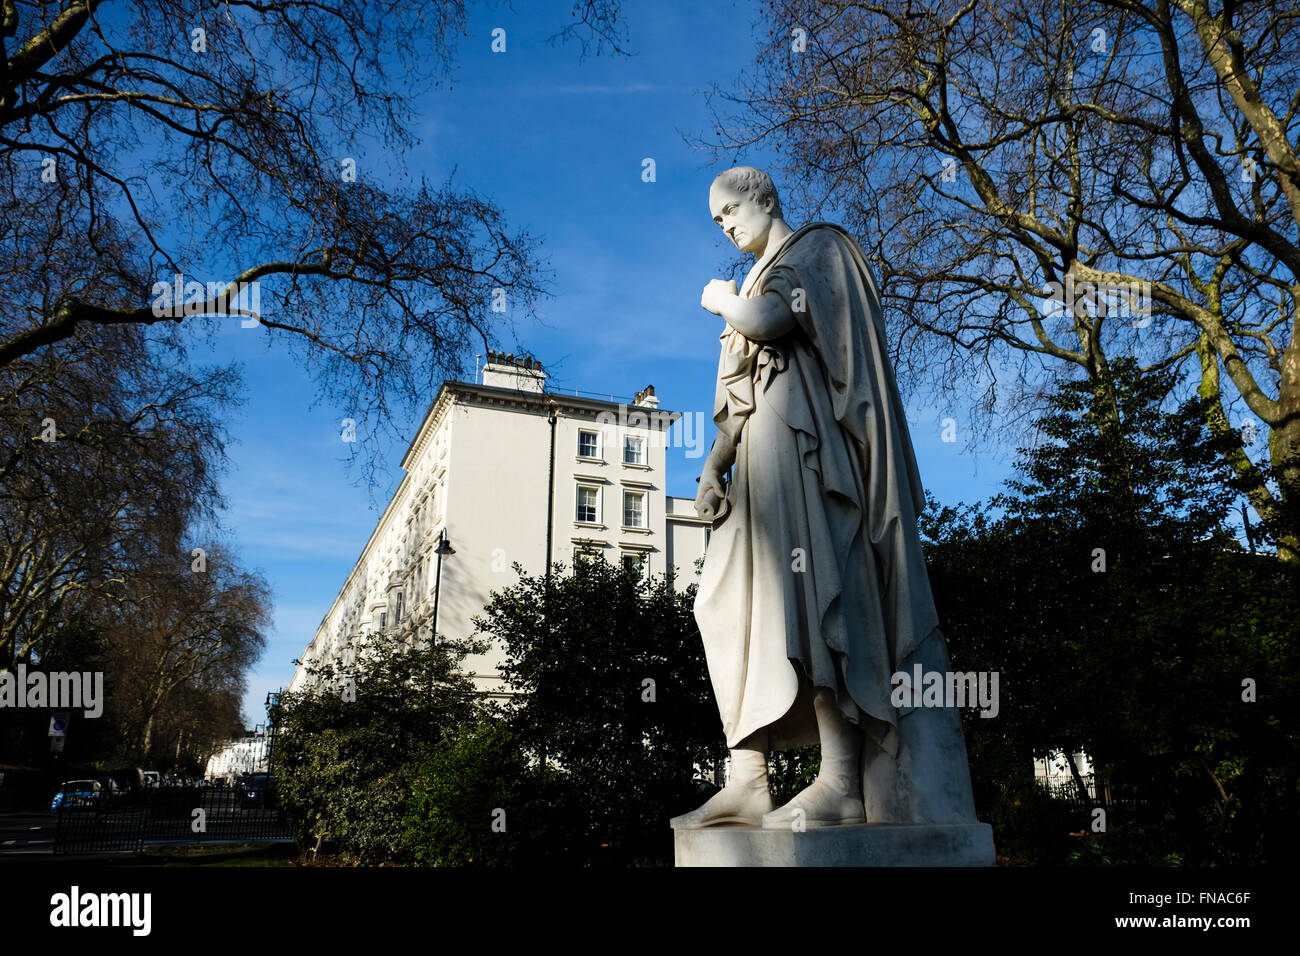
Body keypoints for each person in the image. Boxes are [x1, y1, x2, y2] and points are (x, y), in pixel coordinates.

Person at [670, 167, 978, 830]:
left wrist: (721, 299)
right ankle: (748, 778)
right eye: (718, 221)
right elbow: (732, 406)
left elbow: (773, 320)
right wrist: (709, 472)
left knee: (811, 606)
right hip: (756, 466)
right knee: (723, 605)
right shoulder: (751, 281)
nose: (726, 226)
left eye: (729, 211)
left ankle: (840, 781)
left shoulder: (818, 251)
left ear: (763, 196)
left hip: (809, 456)